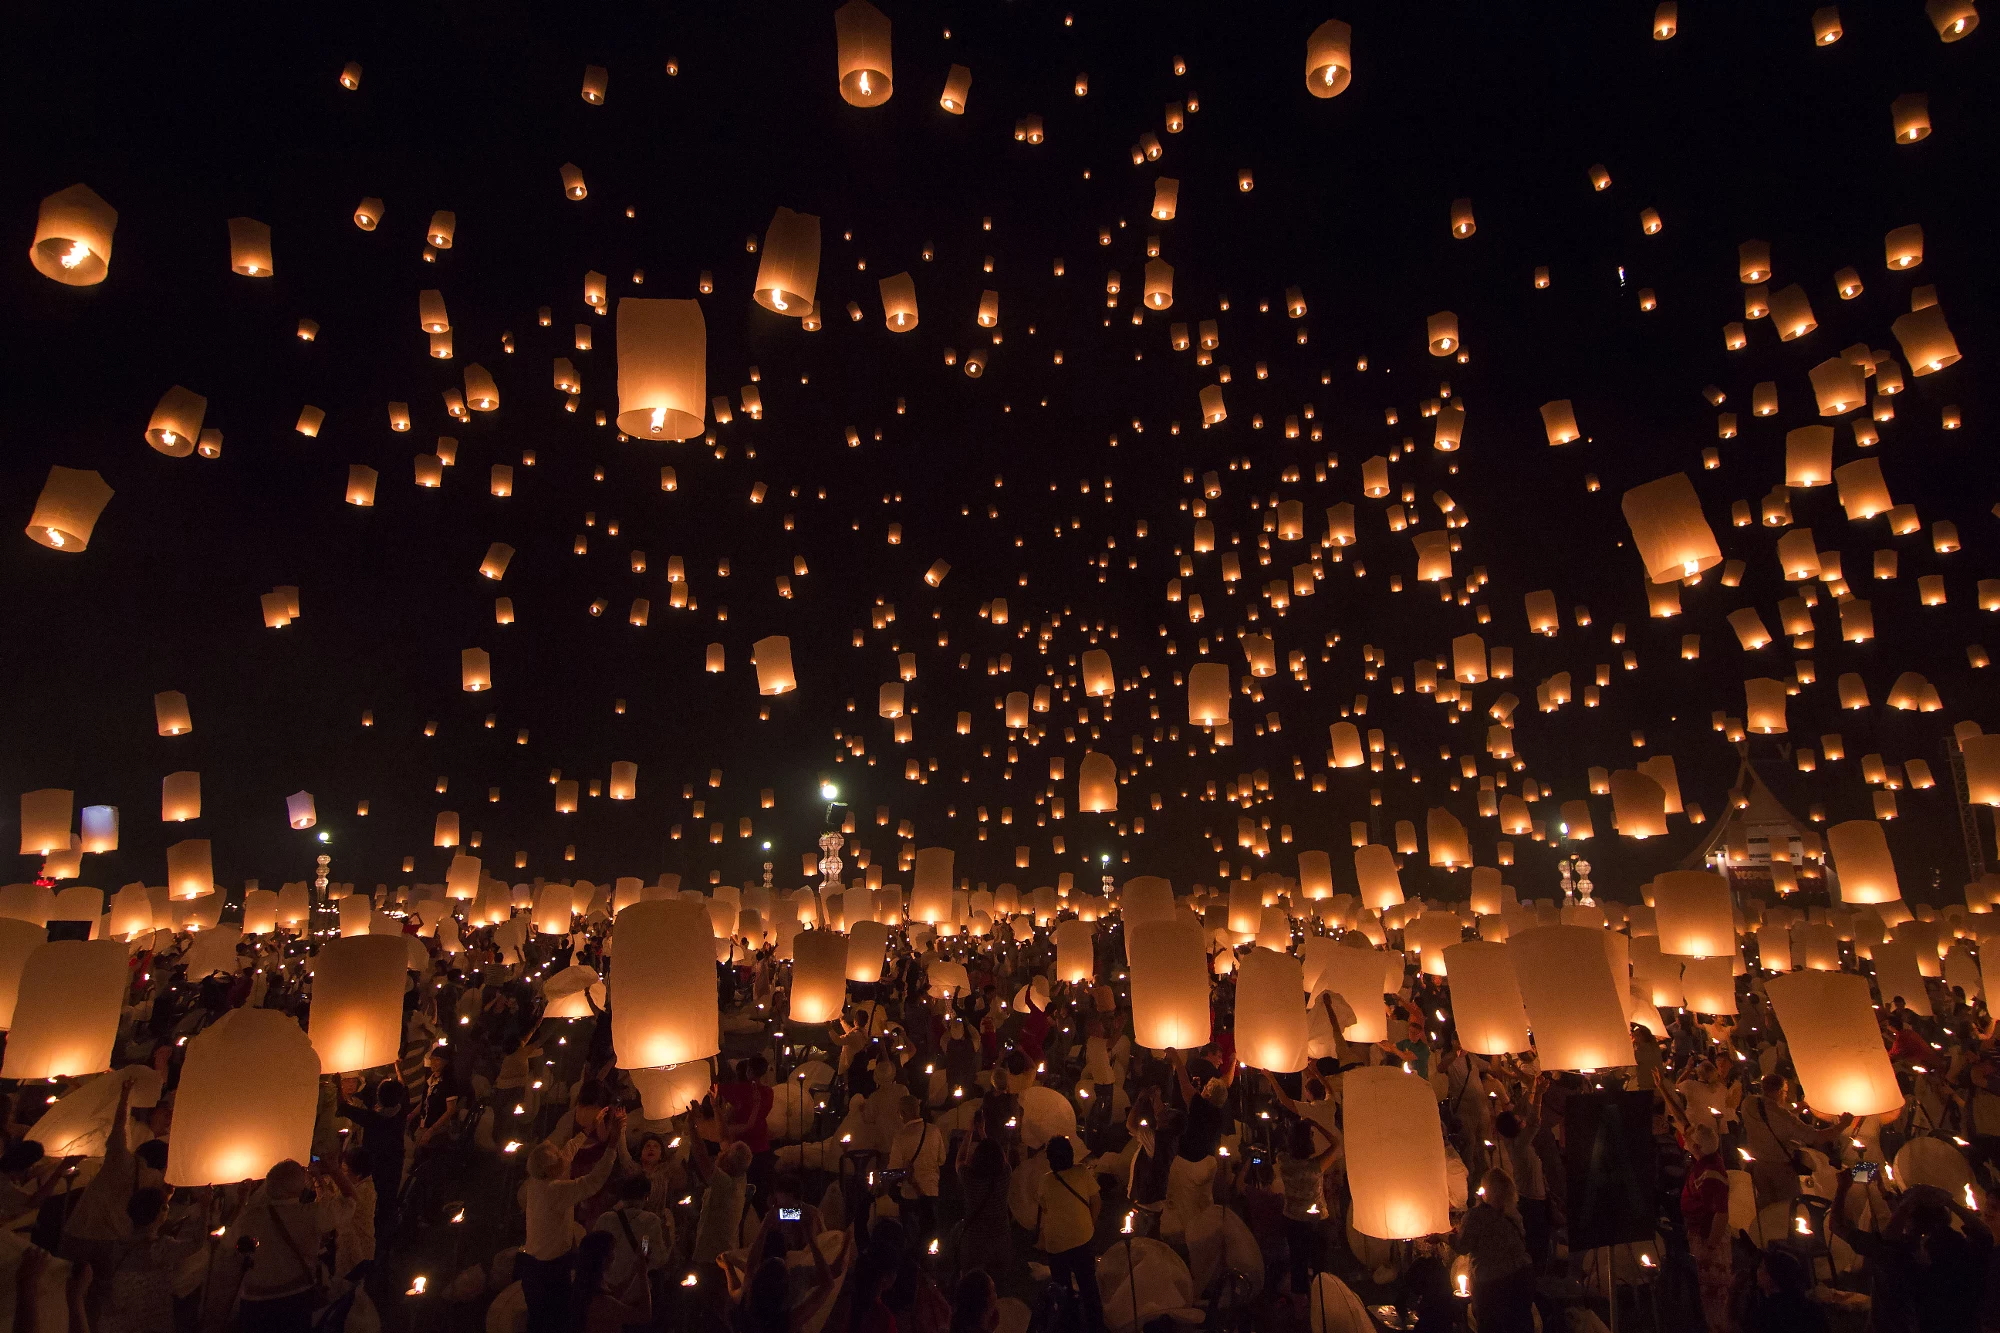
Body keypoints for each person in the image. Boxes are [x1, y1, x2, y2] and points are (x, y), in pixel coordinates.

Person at [522, 1110, 630, 1333]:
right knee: (557, 1319)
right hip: (550, 1269)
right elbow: (594, 1181)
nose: (563, 1159)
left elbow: (564, 1155)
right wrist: (612, 1144)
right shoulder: (555, 1191)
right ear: (551, 1170)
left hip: (532, 1264)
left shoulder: (537, 1180)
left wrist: (587, 1131)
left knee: (537, 1319)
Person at [234, 1160, 335, 1333]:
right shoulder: (310, 1214)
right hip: (296, 1297)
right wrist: (325, 1176)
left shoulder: (253, 1215)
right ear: (300, 1186)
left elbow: (233, 1242)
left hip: (255, 1299)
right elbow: (348, 1204)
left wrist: (242, 1200)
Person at [96, 1187, 205, 1333]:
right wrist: (206, 1207)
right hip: (149, 1318)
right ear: (160, 1213)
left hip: (117, 1319)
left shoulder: (119, 1243)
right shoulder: (161, 1248)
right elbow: (197, 1243)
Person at [1450, 1170, 1533, 1333]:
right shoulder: (1513, 1213)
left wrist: (1444, 1237)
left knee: (1491, 1326)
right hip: (1523, 1277)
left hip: (1493, 1283)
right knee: (1519, 1325)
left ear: (1486, 1190)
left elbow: (1463, 1246)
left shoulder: (1476, 1215)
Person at [1035, 1136, 1103, 1333]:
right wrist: (1090, 1223)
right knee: (1088, 1283)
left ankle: (1068, 1322)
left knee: (1062, 1287)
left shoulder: (1045, 1181)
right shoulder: (1082, 1173)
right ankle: (1095, 1323)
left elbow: (1045, 1208)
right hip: (1083, 1236)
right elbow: (1096, 1201)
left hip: (1057, 1244)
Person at [1276, 1117, 1340, 1295]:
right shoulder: (1316, 1166)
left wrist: (1293, 1131)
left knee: (1298, 1263)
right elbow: (1336, 1144)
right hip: (1316, 1222)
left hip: (1292, 1219)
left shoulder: (1282, 1161)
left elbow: (1281, 1146)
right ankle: (1322, 1299)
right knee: (1321, 1265)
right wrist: (1318, 1125)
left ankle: (1300, 1307)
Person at [566, 1229, 654, 1332]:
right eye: (612, 1250)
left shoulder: (588, 1285)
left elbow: (616, 1293)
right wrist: (642, 1274)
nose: (614, 1255)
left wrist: (635, 1269)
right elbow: (643, 1315)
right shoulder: (600, 1301)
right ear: (603, 1259)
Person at [956, 1133, 1014, 1284]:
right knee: (997, 1284)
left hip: (975, 1239)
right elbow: (1001, 1159)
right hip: (1000, 1238)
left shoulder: (969, 1179)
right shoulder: (1005, 1175)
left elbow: (960, 1160)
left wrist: (968, 1134)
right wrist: (983, 1133)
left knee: (971, 1282)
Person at [886, 1096, 946, 1241]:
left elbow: (895, 1169)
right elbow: (942, 1159)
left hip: (910, 1194)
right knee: (931, 1234)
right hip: (932, 1190)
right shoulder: (934, 1130)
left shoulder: (900, 1137)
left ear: (902, 1113)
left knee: (912, 1236)